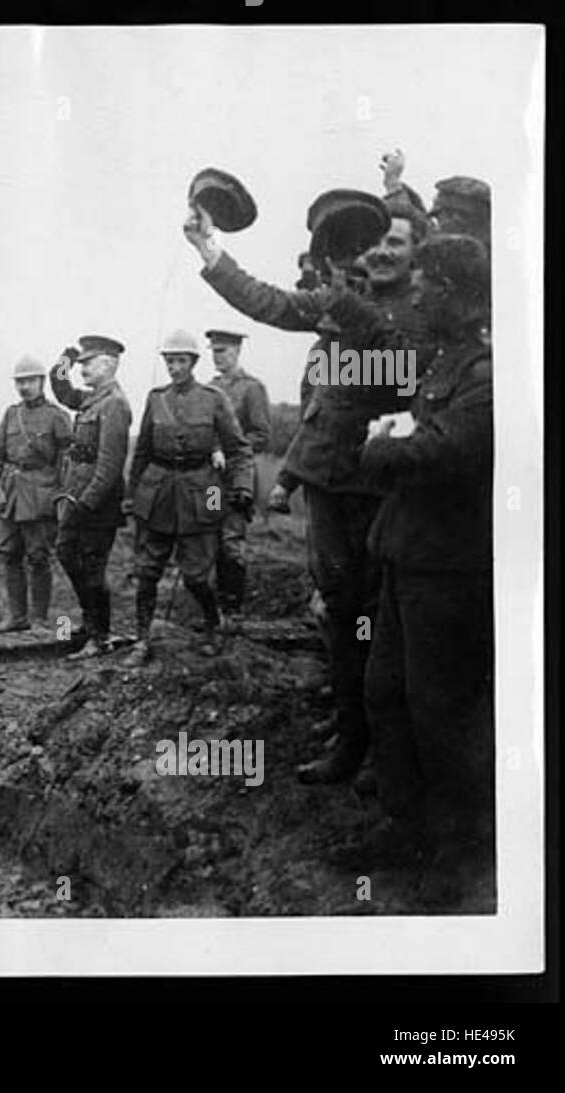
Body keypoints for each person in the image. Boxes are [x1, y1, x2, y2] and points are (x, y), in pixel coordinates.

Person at [184, 193, 432, 786]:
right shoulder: (340, 303)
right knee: (342, 611)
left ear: (417, 252)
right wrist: (208, 247)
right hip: (328, 482)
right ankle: (349, 738)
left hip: (381, 486)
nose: (379, 254)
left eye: (394, 244)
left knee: (381, 620)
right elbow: (268, 302)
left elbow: (404, 369)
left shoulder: (425, 310)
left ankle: (382, 748)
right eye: (373, 245)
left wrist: (349, 306)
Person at [327, 234, 493, 890]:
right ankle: (404, 824)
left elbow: (447, 453)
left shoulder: (484, 372)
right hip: (407, 554)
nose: (416, 292)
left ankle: (455, 848)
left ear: (454, 292)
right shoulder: (449, 358)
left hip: (446, 568)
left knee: (437, 707)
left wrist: (381, 444)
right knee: (385, 692)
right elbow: (429, 432)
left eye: (427, 284)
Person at [122, 330, 253, 664]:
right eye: (169, 360)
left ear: (193, 362)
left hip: (205, 489)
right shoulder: (155, 398)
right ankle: (141, 640)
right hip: (159, 490)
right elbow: (143, 452)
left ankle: (213, 624)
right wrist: (132, 494)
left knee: (196, 574)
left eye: (181, 361)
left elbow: (239, 450)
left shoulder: (213, 398)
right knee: (148, 570)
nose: (174, 367)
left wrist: (242, 488)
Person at [49, 336, 133, 659]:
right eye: (81, 363)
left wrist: (85, 504)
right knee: (67, 553)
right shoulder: (92, 399)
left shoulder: (114, 403)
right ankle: (91, 624)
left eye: (89, 363)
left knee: (93, 565)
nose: (82, 368)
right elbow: (61, 390)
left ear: (109, 364)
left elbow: (110, 465)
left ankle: (100, 636)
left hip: (98, 503)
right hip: (78, 497)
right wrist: (64, 360)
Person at [0, 356, 72, 634]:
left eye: (29, 381)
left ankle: (40, 620)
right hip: (10, 495)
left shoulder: (57, 416)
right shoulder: (11, 414)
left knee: (38, 556)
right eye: (20, 382)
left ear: (41, 382)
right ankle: (16, 617)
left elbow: (66, 461)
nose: (24, 387)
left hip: (41, 494)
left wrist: (60, 495)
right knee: (9, 552)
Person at [204, 329, 270, 624]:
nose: (218, 357)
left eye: (223, 351)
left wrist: (230, 451)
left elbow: (262, 434)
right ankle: (216, 610)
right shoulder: (208, 388)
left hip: (238, 479)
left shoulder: (252, 388)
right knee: (211, 538)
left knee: (232, 542)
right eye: (214, 351)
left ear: (237, 351)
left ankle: (234, 612)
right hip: (211, 481)